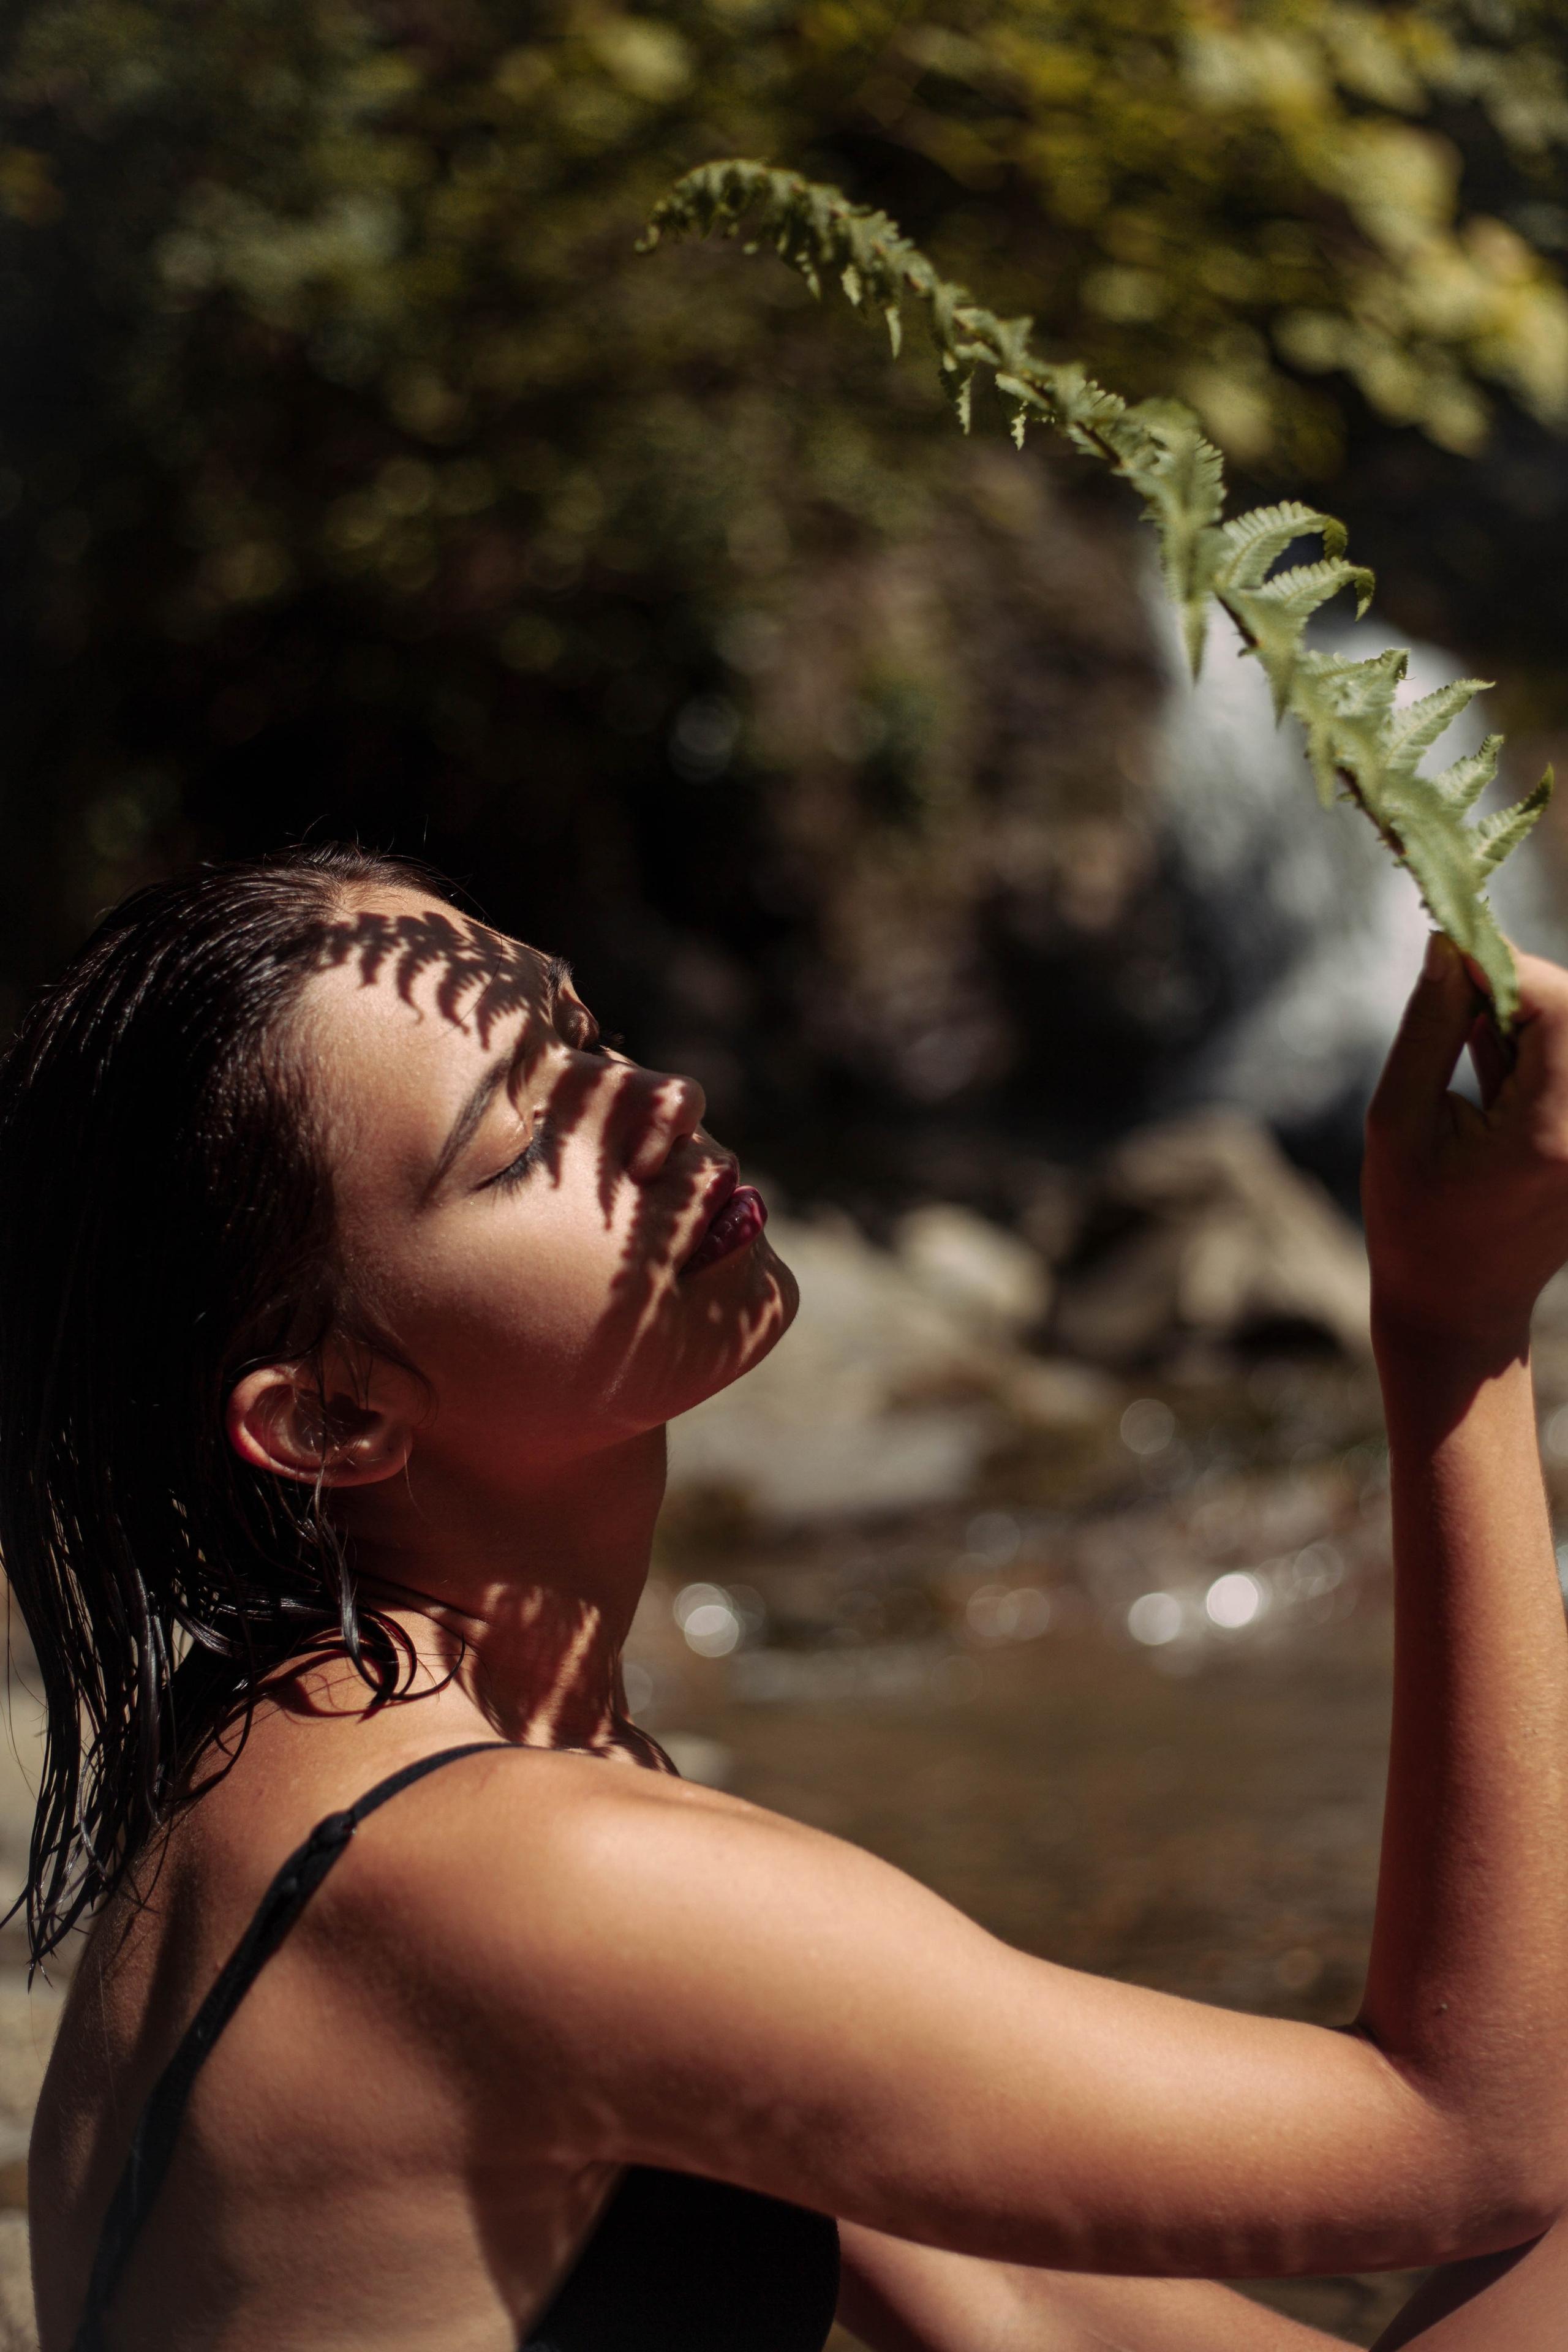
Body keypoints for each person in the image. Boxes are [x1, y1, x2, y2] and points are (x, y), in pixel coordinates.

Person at [15, 841, 1568, 2352]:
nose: (658, 1099)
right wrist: (1449, 1336)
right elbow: (1473, 2140)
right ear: (331, 1418)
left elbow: (1021, 2309)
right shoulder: (527, 1882)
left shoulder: (295, 1755)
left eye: (583, 1034)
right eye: (522, 1142)